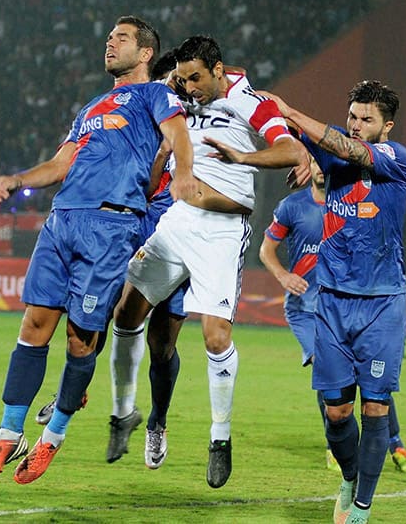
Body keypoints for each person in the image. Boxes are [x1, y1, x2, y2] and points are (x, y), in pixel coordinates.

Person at [0, 16, 197, 486]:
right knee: (34, 323)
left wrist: (182, 171)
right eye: (109, 37)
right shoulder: (92, 107)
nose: (109, 43)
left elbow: (177, 135)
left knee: (81, 339)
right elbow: (62, 162)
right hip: (63, 219)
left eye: (121, 39)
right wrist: (17, 180)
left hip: (111, 225)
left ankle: (51, 438)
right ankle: (8, 432)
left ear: (145, 54)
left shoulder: (157, 95)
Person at [106, 35, 305, 488]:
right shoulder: (179, 93)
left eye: (197, 78)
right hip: (178, 221)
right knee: (126, 312)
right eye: (183, 78)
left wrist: (244, 156)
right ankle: (122, 413)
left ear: (218, 70)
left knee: (215, 339)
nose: (189, 87)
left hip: (222, 231)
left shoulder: (246, 100)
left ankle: (220, 438)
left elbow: (291, 149)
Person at [263, 81, 406, 524]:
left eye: (367, 119)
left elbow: (349, 150)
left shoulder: (396, 159)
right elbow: (306, 148)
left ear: (387, 126)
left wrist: (291, 111)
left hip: (382, 304)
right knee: (337, 410)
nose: (357, 125)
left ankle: (362, 508)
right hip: (330, 304)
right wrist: (304, 157)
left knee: (375, 407)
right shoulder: (332, 156)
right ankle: (349, 478)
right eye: (352, 117)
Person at [32, 50, 189, 472]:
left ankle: (157, 421)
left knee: (163, 340)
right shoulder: (146, 113)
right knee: (100, 308)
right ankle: (74, 390)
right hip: (132, 218)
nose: (177, 88)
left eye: (181, 82)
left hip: (171, 228)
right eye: (171, 81)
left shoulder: (194, 123)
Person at [260, 158, 406, 475]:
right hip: (305, 310)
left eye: (326, 164)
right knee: (328, 370)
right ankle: (336, 446)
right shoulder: (292, 206)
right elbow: (267, 249)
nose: (321, 169)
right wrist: (282, 276)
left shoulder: (349, 205)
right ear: (307, 166)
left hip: (347, 306)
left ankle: (396, 443)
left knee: (371, 375)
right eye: (315, 162)